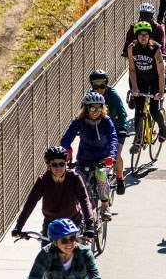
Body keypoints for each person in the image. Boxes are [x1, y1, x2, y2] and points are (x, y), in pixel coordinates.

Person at [12, 147, 95, 238]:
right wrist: (18, 226)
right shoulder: (43, 180)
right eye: (54, 165)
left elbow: (84, 201)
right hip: (51, 223)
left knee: (73, 249)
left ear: (66, 164)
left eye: (61, 164)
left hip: (72, 221)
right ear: (49, 165)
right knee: (46, 251)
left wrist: (90, 225)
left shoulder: (74, 178)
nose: (58, 168)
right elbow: (30, 203)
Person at [60, 91, 117, 222]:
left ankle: (105, 205)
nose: (95, 111)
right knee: (78, 183)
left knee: (101, 175)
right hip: (84, 158)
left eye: (98, 108)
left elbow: (113, 138)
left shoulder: (106, 121)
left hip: (102, 158)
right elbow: (66, 138)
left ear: (102, 108)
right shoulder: (79, 121)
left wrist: (111, 156)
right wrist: (67, 150)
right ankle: (84, 209)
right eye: (92, 108)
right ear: (86, 108)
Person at [88, 70, 129, 195]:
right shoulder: (89, 96)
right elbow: (82, 113)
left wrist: (123, 128)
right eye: (96, 86)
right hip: (99, 129)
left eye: (102, 86)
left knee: (116, 155)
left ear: (106, 85)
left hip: (116, 128)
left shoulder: (113, 95)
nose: (99, 89)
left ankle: (120, 178)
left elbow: (122, 113)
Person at [128, 21, 166, 142]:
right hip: (140, 80)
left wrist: (160, 92)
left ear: (150, 35)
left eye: (146, 34)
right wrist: (134, 87)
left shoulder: (155, 48)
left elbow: (161, 72)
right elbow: (132, 69)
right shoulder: (132, 48)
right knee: (138, 110)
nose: (143, 37)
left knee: (154, 111)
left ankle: (162, 126)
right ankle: (138, 139)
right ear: (137, 36)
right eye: (140, 35)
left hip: (154, 81)